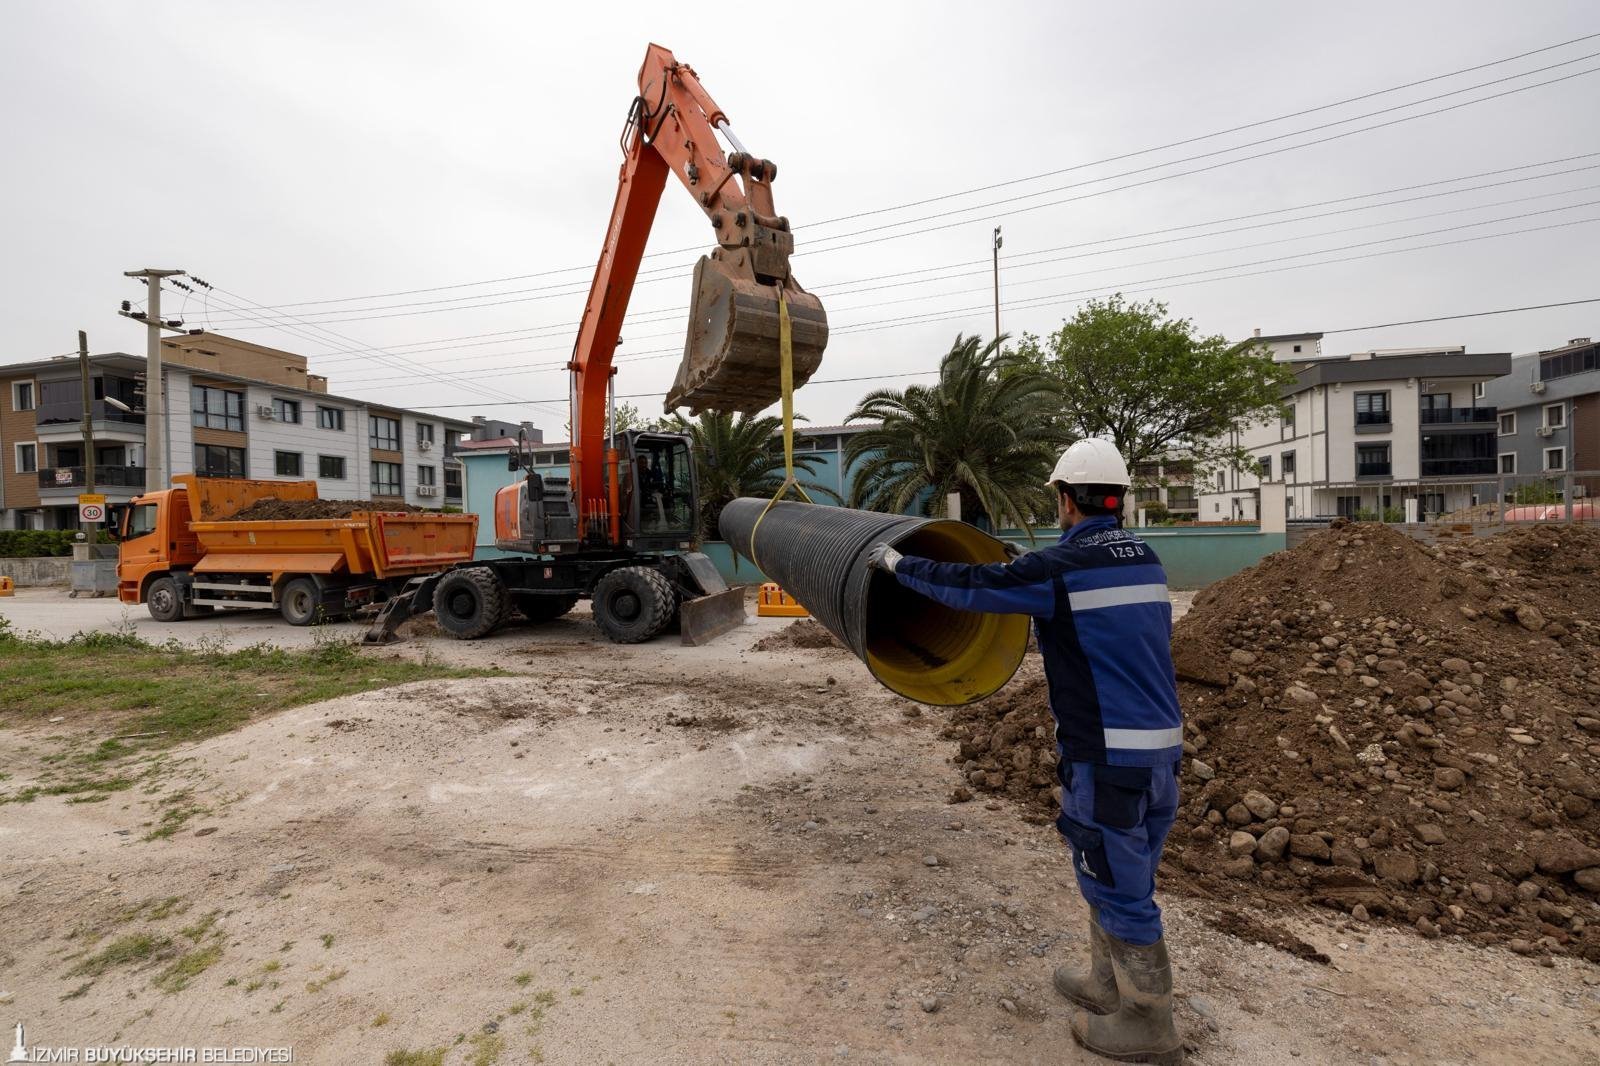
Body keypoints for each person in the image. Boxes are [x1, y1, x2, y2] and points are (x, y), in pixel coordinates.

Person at [866, 438, 1184, 1065]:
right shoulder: (1144, 557)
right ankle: (1107, 986)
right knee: (1125, 875)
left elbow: (973, 587)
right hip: (1160, 756)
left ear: (1066, 500)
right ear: (1118, 499)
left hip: (1105, 758)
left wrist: (899, 565)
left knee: (1117, 885)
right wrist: (1026, 564)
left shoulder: (1059, 572)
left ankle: (1149, 1023)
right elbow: (1067, 585)